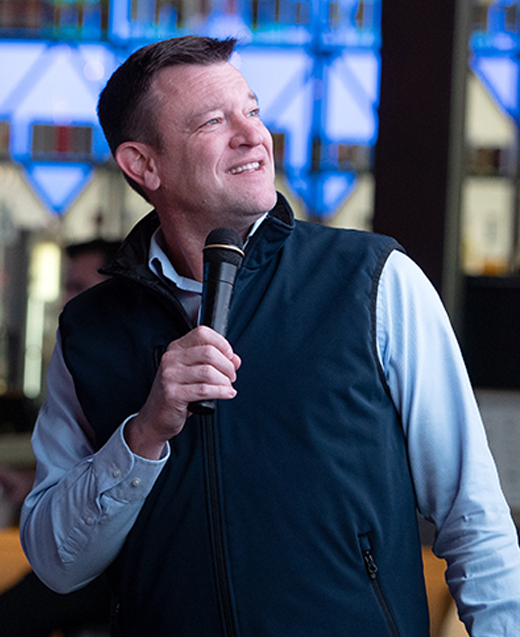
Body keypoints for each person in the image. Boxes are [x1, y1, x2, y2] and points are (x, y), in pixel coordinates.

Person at [20, 36, 520, 636]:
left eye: (253, 111)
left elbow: (473, 516)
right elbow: (57, 566)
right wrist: (143, 434)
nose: (253, 135)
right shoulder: (90, 329)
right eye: (213, 121)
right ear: (143, 165)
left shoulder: (372, 279)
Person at [0, 240, 120, 637]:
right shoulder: (80, 358)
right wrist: (28, 484)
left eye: (78, 287)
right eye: (66, 287)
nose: (67, 300)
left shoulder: (131, 368)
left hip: (116, 564)